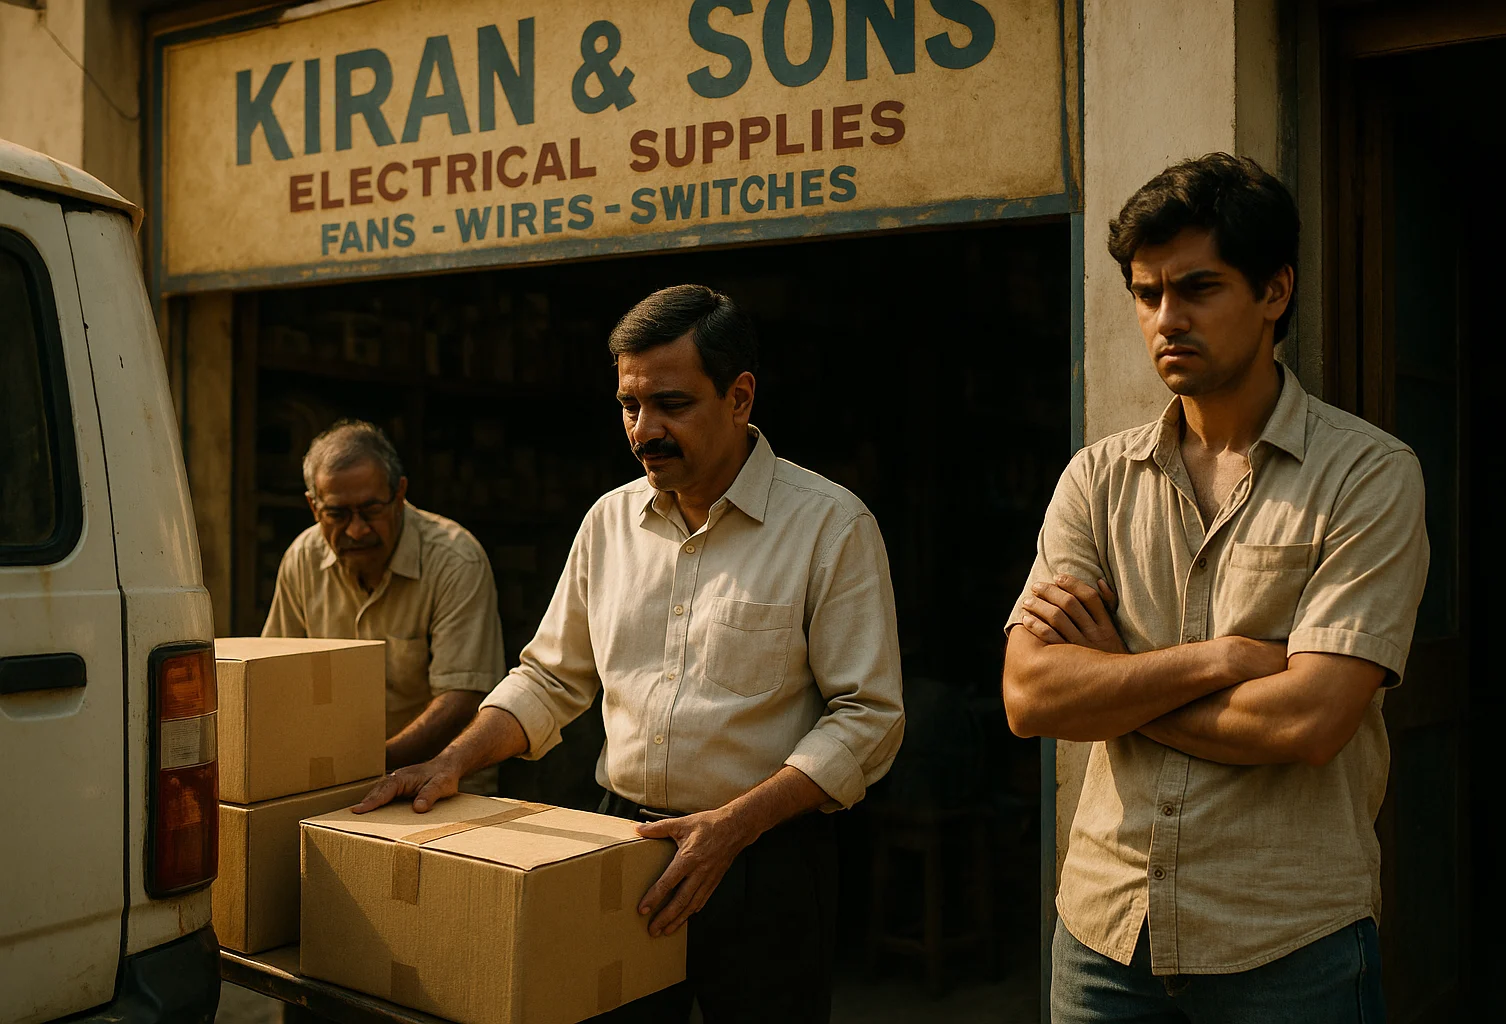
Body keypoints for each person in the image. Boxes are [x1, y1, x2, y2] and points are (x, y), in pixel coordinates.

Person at [355, 284, 906, 1022]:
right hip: (625, 845)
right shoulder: (609, 522)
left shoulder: (830, 527)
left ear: (739, 397)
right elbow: (551, 676)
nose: (643, 429)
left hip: (766, 859)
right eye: (628, 405)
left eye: (671, 405)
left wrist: (734, 825)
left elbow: (868, 718)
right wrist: (454, 759)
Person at [1002, 154, 1428, 1023]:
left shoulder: (1367, 476)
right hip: (1103, 936)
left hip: (1286, 942)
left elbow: (1307, 722)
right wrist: (1223, 659)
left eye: (1198, 288)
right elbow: (1029, 694)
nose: (1167, 318)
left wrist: (1116, 682)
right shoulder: (1096, 478)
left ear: (1276, 292)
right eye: (1147, 293)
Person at [264, 420, 506, 794]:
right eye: (338, 514)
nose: (357, 530)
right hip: (337, 781)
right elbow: (276, 678)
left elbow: (462, 697)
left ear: (399, 495)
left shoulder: (455, 559)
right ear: (314, 507)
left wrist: (365, 765)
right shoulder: (302, 560)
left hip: (442, 782)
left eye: (371, 510)